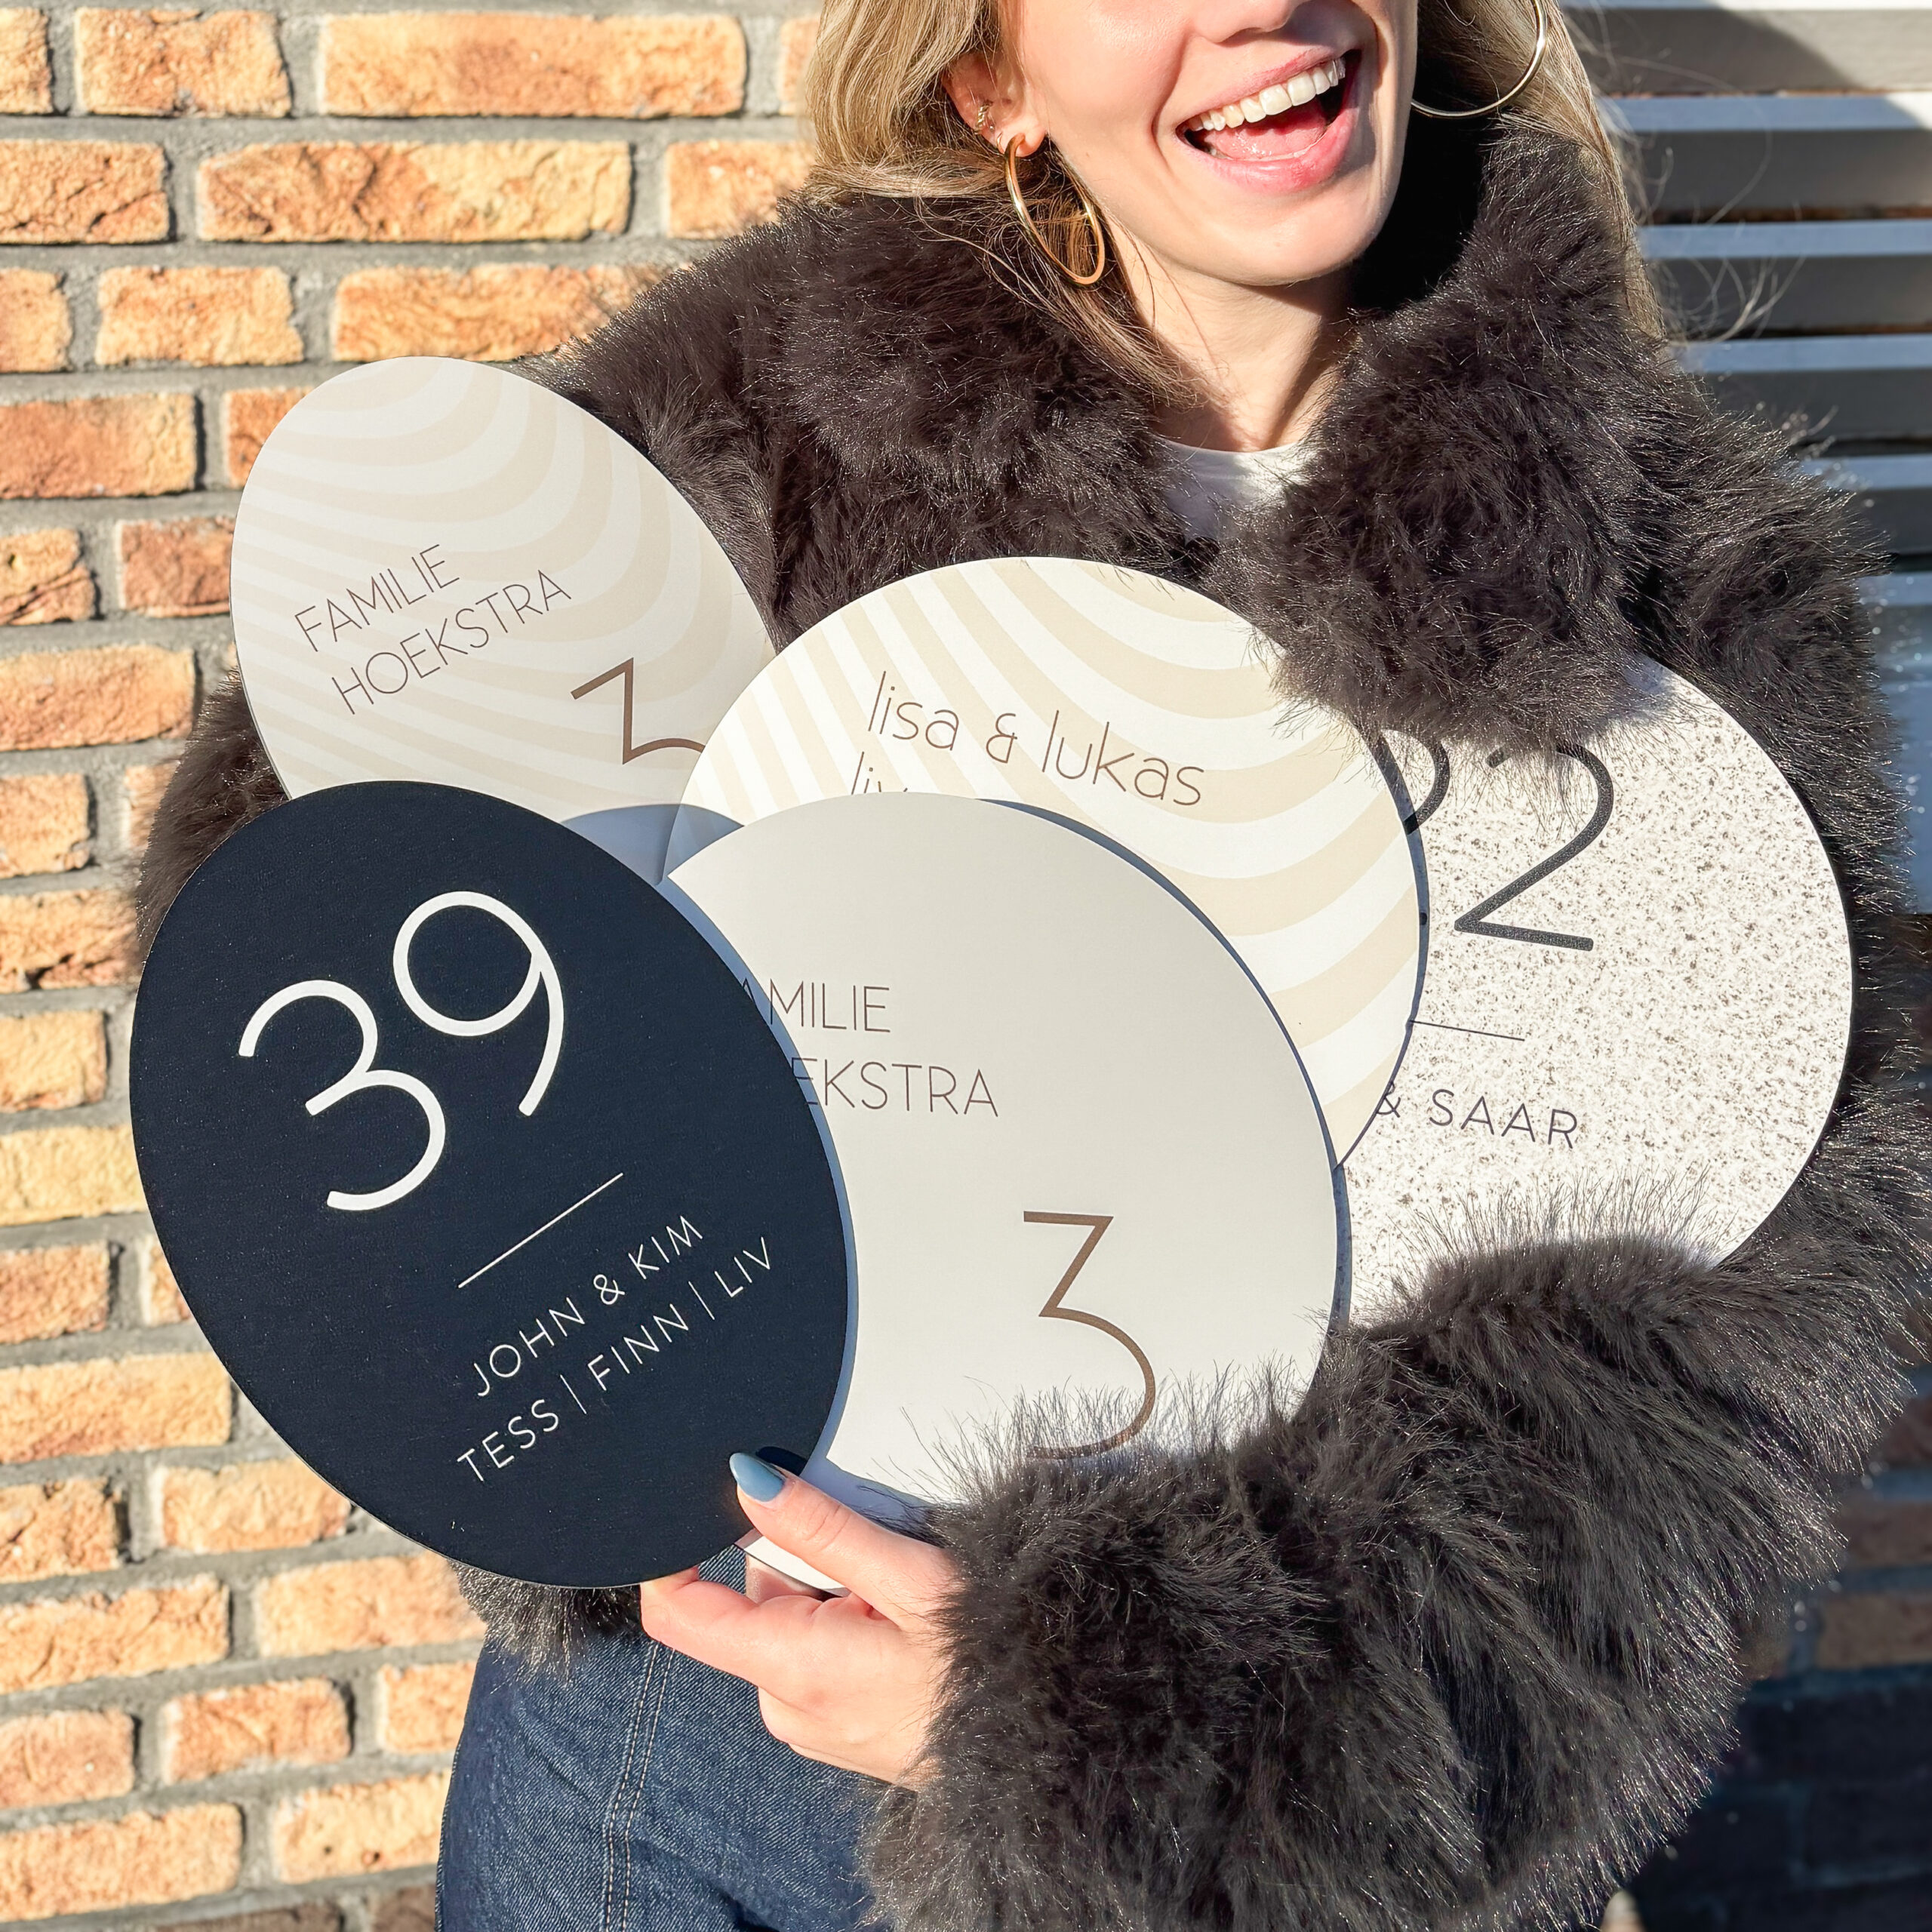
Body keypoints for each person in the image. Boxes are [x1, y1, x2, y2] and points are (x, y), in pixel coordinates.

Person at [136, 0, 1927, 1919]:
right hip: (673, 1765)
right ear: (989, 77)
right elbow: (323, 916)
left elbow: (1669, 1423)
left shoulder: (1680, 620)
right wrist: (576, 1386)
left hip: (1234, 1850)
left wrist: (1096, 1723)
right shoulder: (750, 440)